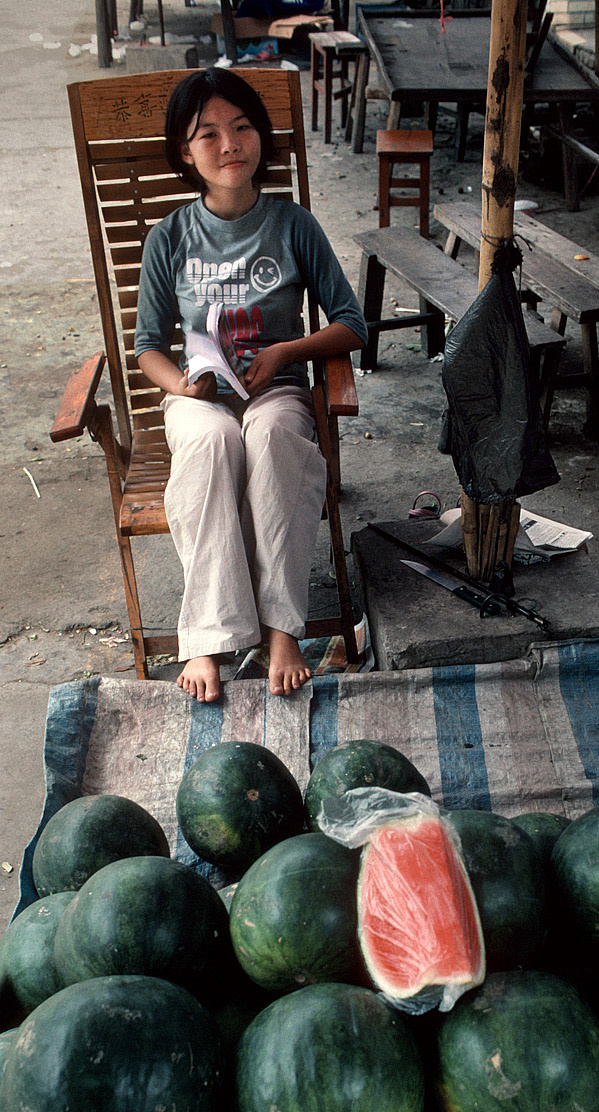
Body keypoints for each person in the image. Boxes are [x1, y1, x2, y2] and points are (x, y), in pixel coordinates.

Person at [134, 69, 367, 701]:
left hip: (275, 391)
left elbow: (352, 324)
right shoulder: (170, 238)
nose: (228, 144)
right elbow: (147, 348)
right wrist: (182, 385)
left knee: (269, 436)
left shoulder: (293, 226)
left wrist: (288, 349)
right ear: (186, 153)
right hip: (199, 398)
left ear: (261, 137)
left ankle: (280, 630)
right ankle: (208, 639)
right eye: (207, 134)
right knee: (213, 444)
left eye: (241, 127)